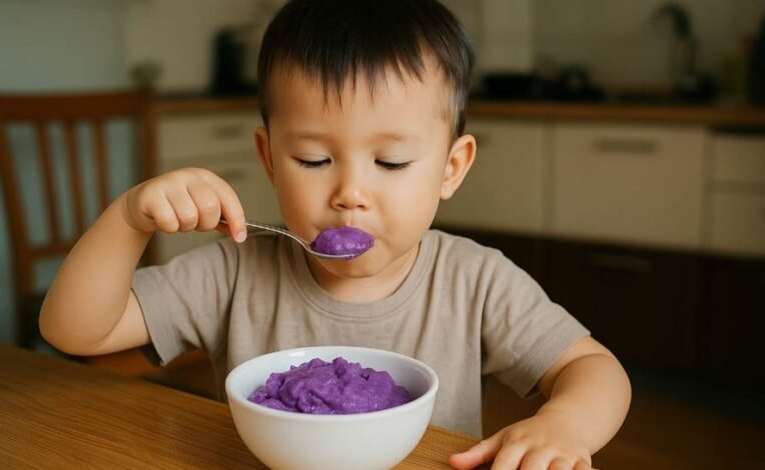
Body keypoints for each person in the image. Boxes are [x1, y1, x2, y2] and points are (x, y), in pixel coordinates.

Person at [39, 0, 631, 468]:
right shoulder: (233, 271)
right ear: (269, 160)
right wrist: (126, 221)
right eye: (314, 161)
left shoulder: (474, 281)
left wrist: (566, 424)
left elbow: (595, 370)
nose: (349, 192)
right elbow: (72, 331)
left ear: (451, 168)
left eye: (392, 162)